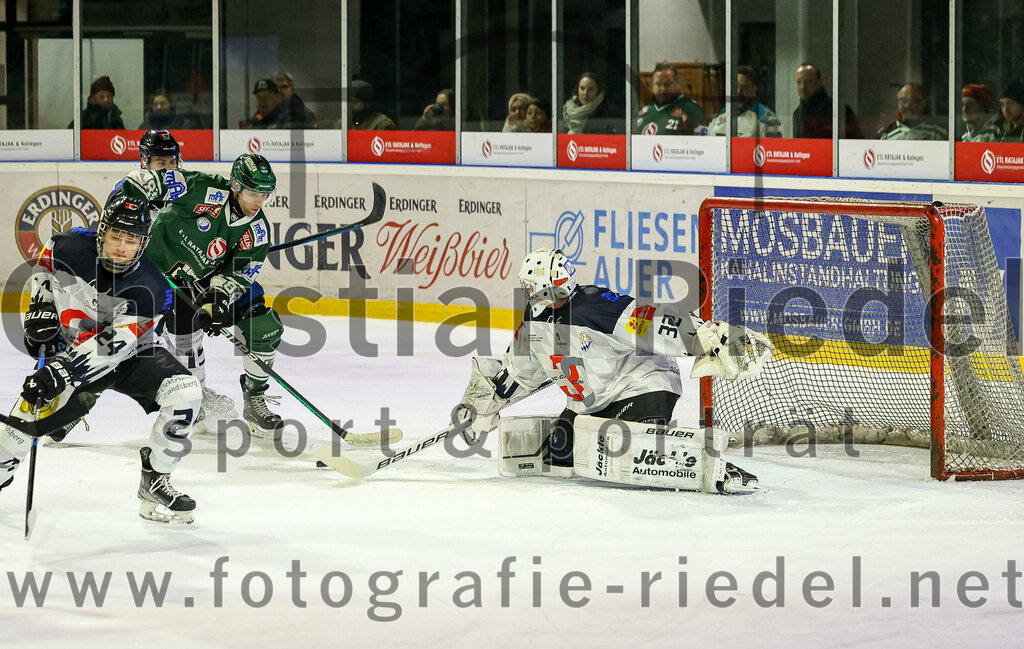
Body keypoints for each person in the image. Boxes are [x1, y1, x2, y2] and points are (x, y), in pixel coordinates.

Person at [454, 248, 769, 495]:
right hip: (594, 403)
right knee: (558, 456)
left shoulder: (595, 306)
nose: (528, 291)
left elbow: (651, 320)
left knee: (632, 449)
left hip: (643, 385)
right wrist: (485, 401)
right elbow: (519, 372)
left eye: (531, 285)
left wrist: (708, 337)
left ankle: (717, 469)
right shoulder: (534, 321)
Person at [0, 196, 201, 524]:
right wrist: (42, 306)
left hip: (132, 355)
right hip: (72, 348)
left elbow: (111, 346)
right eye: (117, 237)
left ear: (143, 243)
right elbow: (46, 263)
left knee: (186, 391)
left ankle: (155, 479)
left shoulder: (153, 287)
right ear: (102, 233)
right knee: (15, 434)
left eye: (132, 240)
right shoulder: (67, 245)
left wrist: (59, 373)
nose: (123, 247)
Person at [109, 144, 285, 439]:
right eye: (254, 193)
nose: (259, 201)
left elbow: (239, 272)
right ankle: (75, 405)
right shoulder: (202, 189)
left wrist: (217, 299)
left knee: (264, 324)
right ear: (236, 186)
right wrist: (125, 203)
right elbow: (142, 181)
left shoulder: (257, 230)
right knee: (119, 338)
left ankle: (254, 399)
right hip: (150, 271)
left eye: (265, 194)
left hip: (199, 279)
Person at [133, 129, 239, 426]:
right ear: (144, 163)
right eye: (159, 162)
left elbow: (227, 204)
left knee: (188, 336)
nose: (166, 168)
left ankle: (199, 395)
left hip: (180, 281)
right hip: (140, 283)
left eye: (171, 161)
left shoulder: (191, 189)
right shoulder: (134, 194)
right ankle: (77, 404)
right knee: (115, 344)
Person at [791, 62, 862, 139]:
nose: (803, 87)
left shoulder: (838, 110)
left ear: (819, 82)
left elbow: (856, 142)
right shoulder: (798, 114)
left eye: (808, 81)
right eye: (799, 82)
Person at [634, 62, 707, 136]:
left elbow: (701, 144)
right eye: (658, 84)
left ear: (677, 83)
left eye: (668, 84)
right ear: (652, 85)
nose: (663, 89)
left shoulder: (692, 110)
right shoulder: (644, 112)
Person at [708, 65, 783, 137]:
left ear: (754, 89)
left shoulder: (767, 121)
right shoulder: (719, 117)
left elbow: (773, 149)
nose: (738, 92)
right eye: (735, 87)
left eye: (744, 87)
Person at [879, 83, 948, 141]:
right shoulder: (887, 134)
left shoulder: (937, 134)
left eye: (913, 100)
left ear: (923, 103)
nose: (907, 105)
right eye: (902, 100)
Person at [240, 78, 311, 129]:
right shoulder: (259, 116)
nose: (262, 101)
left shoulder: (289, 116)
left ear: (277, 98)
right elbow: (258, 119)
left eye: (267, 97)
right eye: (259, 97)